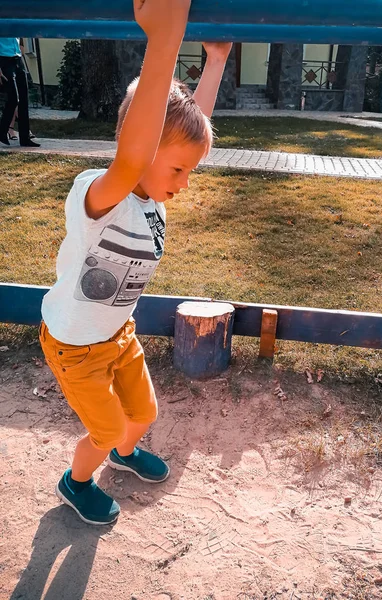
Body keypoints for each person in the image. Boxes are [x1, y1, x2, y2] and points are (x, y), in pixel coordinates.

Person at [39, 0, 232, 526]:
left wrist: (214, 62)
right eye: (178, 169)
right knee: (102, 429)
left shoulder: (153, 200)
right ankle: (75, 482)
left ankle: (124, 456)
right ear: (140, 149)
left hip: (117, 336)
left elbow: (186, 137)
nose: (186, 181)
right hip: (75, 347)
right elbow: (136, 154)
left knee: (142, 413)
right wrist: (164, 40)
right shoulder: (102, 194)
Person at [0, 37, 40, 147]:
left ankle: (25, 138)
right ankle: (2, 130)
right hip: (3, 59)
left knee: (24, 98)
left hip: (17, 57)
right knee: (13, 98)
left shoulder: (13, 21)